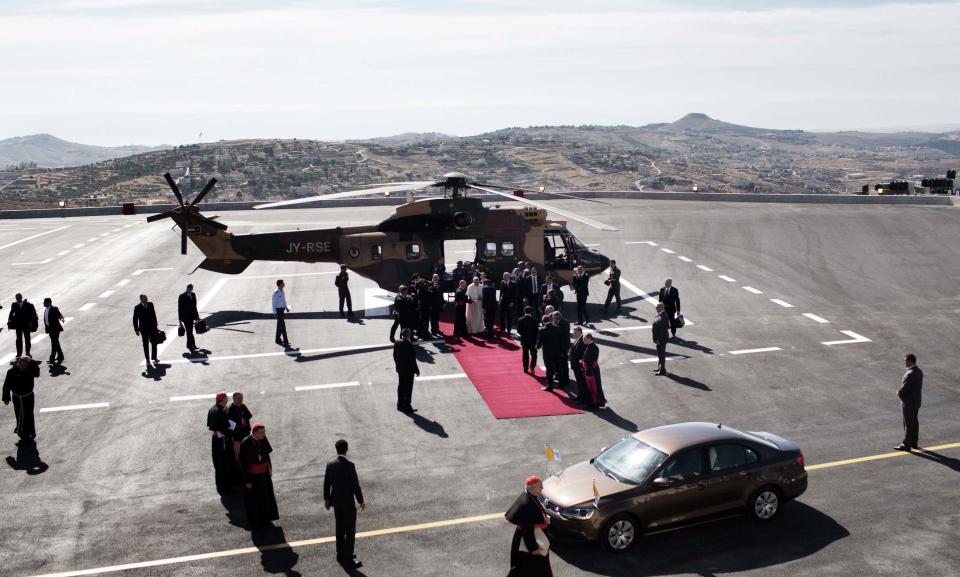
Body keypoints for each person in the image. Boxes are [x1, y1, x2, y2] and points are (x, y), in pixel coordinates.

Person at [324, 439, 365, 569]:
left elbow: (327, 484)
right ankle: (348, 557)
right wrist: (361, 500)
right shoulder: (350, 465)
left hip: (336, 502)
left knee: (340, 527)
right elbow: (355, 485)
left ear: (336, 449)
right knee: (350, 529)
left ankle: (340, 553)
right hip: (348, 503)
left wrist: (327, 500)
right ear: (347, 449)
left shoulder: (330, 464)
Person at [505, 475, 553, 577]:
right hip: (530, 547)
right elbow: (528, 531)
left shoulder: (530, 496)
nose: (542, 488)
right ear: (533, 488)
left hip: (530, 539)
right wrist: (534, 549)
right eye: (540, 486)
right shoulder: (527, 505)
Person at [238, 422, 279, 529]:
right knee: (255, 500)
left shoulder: (263, 439)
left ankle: (266, 519)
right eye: (261, 432)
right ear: (254, 433)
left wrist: (269, 469)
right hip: (253, 477)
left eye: (264, 432)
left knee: (266, 497)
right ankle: (257, 522)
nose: (264, 434)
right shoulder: (245, 443)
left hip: (264, 475)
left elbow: (267, 456)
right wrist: (247, 481)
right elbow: (243, 464)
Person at [3, 356, 40, 441]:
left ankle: (29, 430)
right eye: (25, 363)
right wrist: (6, 398)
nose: (25, 366)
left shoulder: (30, 370)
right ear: (20, 361)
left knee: (29, 413)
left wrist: (32, 362)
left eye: (28, 364)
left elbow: (37, 374)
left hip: (28, 396)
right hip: (17, 397)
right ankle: (22, 432)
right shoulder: (12, 372)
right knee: (19, 413)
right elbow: (6, 385)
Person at [895, 353, 923, 451]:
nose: (905, 362)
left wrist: (898, 392)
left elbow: (905, 389)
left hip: (908, 402)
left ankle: (906, 444)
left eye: (906, 360)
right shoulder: (919, 371)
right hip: (916, 402)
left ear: (910, 361)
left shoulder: (910, 373)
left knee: (908, 423)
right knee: (914, 422)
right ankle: (914, 442)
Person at [207, 392, 234, 495]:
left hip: (215, 440)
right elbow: (225, 429)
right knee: (224, 463)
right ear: (223, 399)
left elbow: (210, 425)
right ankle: (226, 487)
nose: (227, 400)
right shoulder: (221, 412)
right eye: (226, 399)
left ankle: (221, 485)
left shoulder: (211, 409)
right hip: (222, 440)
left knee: (217, 463)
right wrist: (232, 432)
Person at [393, 328, 420, 412]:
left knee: (401, 386)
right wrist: (416, 370)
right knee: (408, 388)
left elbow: (394, 355)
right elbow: (412, 360)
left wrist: (398, 365)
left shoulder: (397, 342)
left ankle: (400, 404)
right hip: (408, 371)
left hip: (400, 369)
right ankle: (407, 405)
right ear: (409, 335)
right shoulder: (409, 345)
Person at [132, 294, 159, 368]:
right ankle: (147, 359)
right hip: (143, 329)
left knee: (154, 342)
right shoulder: (137, 307)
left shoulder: (150, 304)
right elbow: (135, 319)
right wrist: (136, 329)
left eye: (146, 298)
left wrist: (156, 326)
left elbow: (154, 315)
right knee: (145, 344)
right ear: (141, 300)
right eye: (144, 299)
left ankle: (154, 357)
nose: (146, 300)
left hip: (152, 327)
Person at [8, 294, 37, 359]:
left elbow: (32, 314)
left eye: (19, 297)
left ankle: (27, 352)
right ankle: (19, 353)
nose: (18, 299)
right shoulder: (14, 305)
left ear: (21, 297)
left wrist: (31, 322)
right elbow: (11, 313)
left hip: (26, 325)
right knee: (18, 339)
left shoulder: (27, 305)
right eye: (17, 298)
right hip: (18, 325)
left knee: (27, 339)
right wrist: (9, 322)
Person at [537, 315, 563, 391]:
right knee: (559, 368)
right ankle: (561, 384)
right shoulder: (557, 328)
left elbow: (540, 341)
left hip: (547, 353)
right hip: (557, 351)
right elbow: (560, 340)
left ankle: (550, 386)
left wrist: (537, 347)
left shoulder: (542, 330)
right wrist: (561, 350)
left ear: (543, 321)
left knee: (549, 369)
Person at [581, 333, 606, 408]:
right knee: (591, 387)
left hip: (591, 371)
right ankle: (592, 403)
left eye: (585, 339)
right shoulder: (590, 346)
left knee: (593, 387)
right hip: (590, 370)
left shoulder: (593, 347)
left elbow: (590, 362)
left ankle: (594, 403)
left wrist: (589, 374)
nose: (583, 341)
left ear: (589, 339)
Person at [228, 391, 253, 462]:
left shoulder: (243, 406)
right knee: (237, 455)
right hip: (237, 436)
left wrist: (249, 431)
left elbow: (247, 419)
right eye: (238, 398)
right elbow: (230, 426)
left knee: (248, 453)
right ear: (233, 398)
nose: (240, 400)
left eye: (241, 398)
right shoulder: (230, 409)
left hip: (246, 434)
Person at [552, 311, 571, 391]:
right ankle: (566, 379)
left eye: (554, 318)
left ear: (557, 318)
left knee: (561, 365)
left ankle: (563, 382)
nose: (553, 320)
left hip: (561, 349)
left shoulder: (560, 325)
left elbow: (561, 338)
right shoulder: (565, 322)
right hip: (564, 348)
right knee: (564, 364)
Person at [178, 284, 200, 354]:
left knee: (190, 332)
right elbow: (180, 308)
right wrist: (180, 319)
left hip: (192, 317)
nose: (191, 290)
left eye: (191, 289)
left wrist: (197, 316)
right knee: (189, 332)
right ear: (187, 288)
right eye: (190, 288)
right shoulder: (182, 296)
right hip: (185, 318)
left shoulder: (193, 294)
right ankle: (191, 346)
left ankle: (190, 345)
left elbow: (194, 306)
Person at [42, 297, 65, 365]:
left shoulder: (54, 308)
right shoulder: (46, 309)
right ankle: (60, 356)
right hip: (50, 329)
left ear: (48, 302)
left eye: (44, 302)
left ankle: (53, 358)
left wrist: (62, 318)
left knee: (54, 342)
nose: (43, 303)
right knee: (55, 343)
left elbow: (59, 314)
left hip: (55, 329)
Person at [517, 306, 539, 374]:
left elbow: (518, 330)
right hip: (533, 340)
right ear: (531, 312)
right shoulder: (534, 320)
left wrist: (523, 334)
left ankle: (525, 368)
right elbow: (536, 331)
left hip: (524, 340)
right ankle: (532, 366)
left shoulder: (520, 320)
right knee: (534, 354)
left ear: (524, 311)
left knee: (525, 354)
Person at [569, 326, 586, 402]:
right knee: (579, 382)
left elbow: (582, 356)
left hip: (579, 366)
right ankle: (580, 396)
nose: (574, 334)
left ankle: (582, 397)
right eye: (573, 332)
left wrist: (581, 366)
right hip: (576, 365)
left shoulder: (581, 342)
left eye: (575, 332)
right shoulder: (578, 340)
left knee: (581, 382)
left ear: (580, 332)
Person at [652, 302, 669, 376]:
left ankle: (662, 370)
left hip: (661, 339)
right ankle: (660, 367)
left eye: (658, 307)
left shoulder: (664, 316)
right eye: (656, 307)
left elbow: (663, 330)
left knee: (661, 354)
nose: (657, 309)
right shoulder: (660, 314)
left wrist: (658, 339)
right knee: (659, 354)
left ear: (662, 308)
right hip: (658, 339)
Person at [272, 279, 290, 347]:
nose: (284, 284)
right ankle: (286, 341)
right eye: (283, 283)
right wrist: (274, 313)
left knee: (280, 326)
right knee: (282, 326)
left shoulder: (282, 291)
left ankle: (277, 339)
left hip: (282, 310)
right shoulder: (276, 293)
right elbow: (273, 303)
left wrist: (286, 307)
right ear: (279, 284)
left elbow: (283, 300)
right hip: (278, 311)